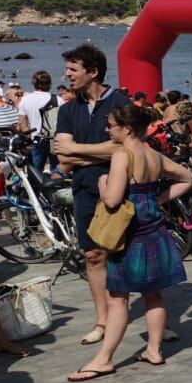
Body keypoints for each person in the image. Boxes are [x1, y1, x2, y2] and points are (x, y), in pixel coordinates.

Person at [66, 104, 192, 382]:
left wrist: (102, 183)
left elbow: (112, 200)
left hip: (129, 231)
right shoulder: (153, 154)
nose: (106, 129)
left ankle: (104, 359)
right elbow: (187, 178)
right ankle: (154, 350)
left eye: (110, 125)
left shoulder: (122, 155)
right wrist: (158, 200)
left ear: (126, 128)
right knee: (153, 293)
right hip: (154, 227)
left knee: (116, 298)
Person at [51, 43, 132, 347]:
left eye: (73, 69)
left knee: (125, 253)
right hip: (84, 190)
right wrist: (100, 153)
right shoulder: (68, 109)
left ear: (93, 72)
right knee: (93, 255)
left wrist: (77, 149)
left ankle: (150, 313)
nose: (67, 75)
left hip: (121, 188)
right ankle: (103, 320)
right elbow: (63, 159)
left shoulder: (121, 103)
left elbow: (125, 147)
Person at [17, 71, 56, 177]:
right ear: (50, 84)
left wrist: (27, 139)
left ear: (34, 84)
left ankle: (36, 192)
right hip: (54, 140)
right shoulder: (57, 99)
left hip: (36, 139)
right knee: (56, 171)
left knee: (36, 172)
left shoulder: (25, 100)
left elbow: (23, 124)